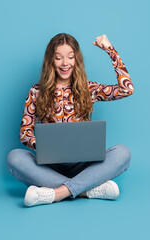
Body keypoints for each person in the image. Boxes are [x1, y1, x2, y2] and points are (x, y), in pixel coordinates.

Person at [7, 33, 134, 207]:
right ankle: (86, 189)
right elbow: (25, 133)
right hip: (50, 165)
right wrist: (45, 146)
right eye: (59, 58)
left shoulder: (89, 88)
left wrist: (110, 51)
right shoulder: (36, 92)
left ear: (77, 60)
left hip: (84, 164)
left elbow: (126, 89)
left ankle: (57, 193)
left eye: (70, 57)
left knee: (123, 153)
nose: (65, 63)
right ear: (50, 61)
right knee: (15, 158)